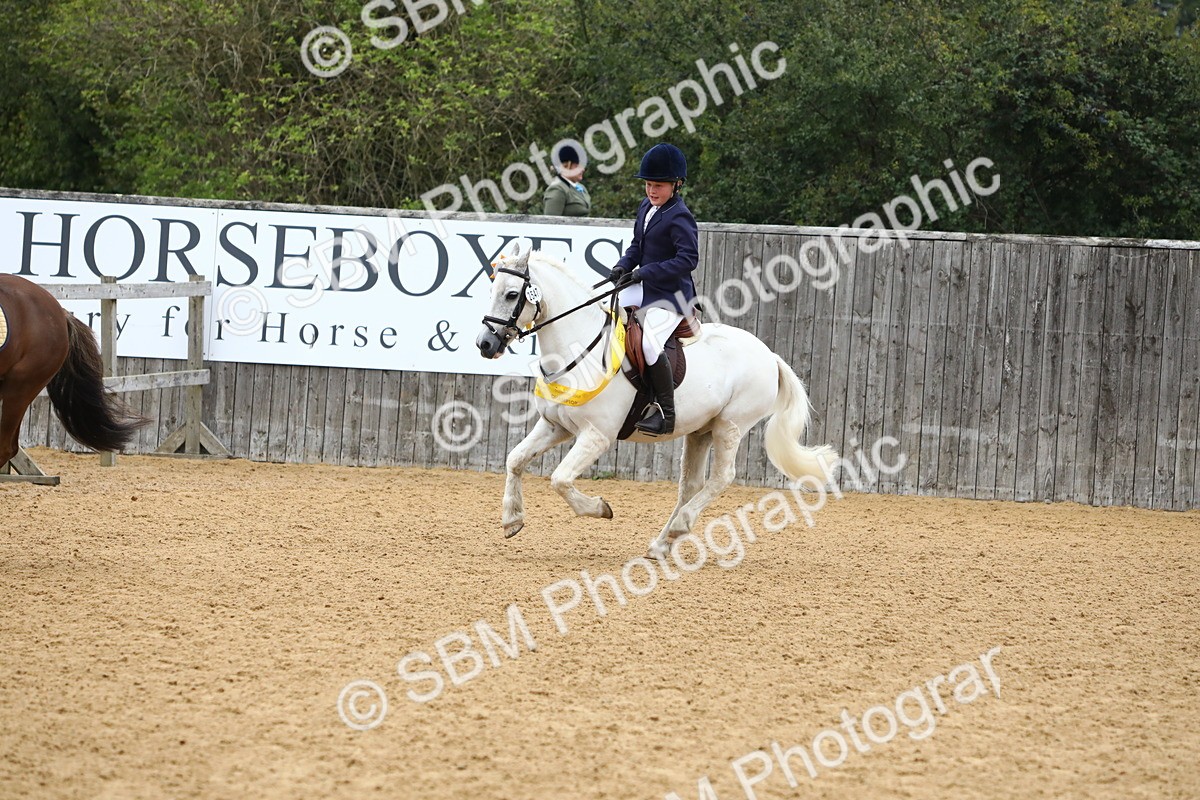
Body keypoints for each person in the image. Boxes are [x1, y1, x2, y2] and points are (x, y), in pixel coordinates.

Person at [607, 142, 699, 437]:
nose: (651, 191)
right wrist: (623, 265)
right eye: (648, 184)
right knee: (608, 316)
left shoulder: (679, 216)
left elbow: (688, 259)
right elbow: (637, 246)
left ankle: (665, 413)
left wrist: (646, 271)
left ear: (677, 184)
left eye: (658, 185)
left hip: (670, 297)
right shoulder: (647, 207)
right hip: (643, 287)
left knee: (648, 344)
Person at [542, 144, 591, 216]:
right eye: (578, 165)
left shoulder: (581, 187)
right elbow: (551, 223)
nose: (583, 169)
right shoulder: (557, 189)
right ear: (567, 165)